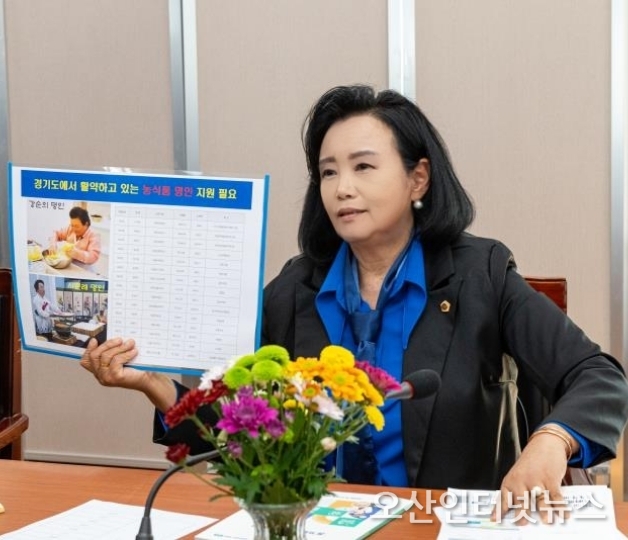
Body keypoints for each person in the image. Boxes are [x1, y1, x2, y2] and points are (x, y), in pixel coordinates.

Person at [80, 85, 628, 523]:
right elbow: (237, 424)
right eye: (328, 171)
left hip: (436, 528)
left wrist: (550, 442)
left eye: (363, 167)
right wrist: (153, 385)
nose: (342, 187)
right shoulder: (295, 289)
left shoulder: (480, 275)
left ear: (418, 178)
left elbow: (599, 377)